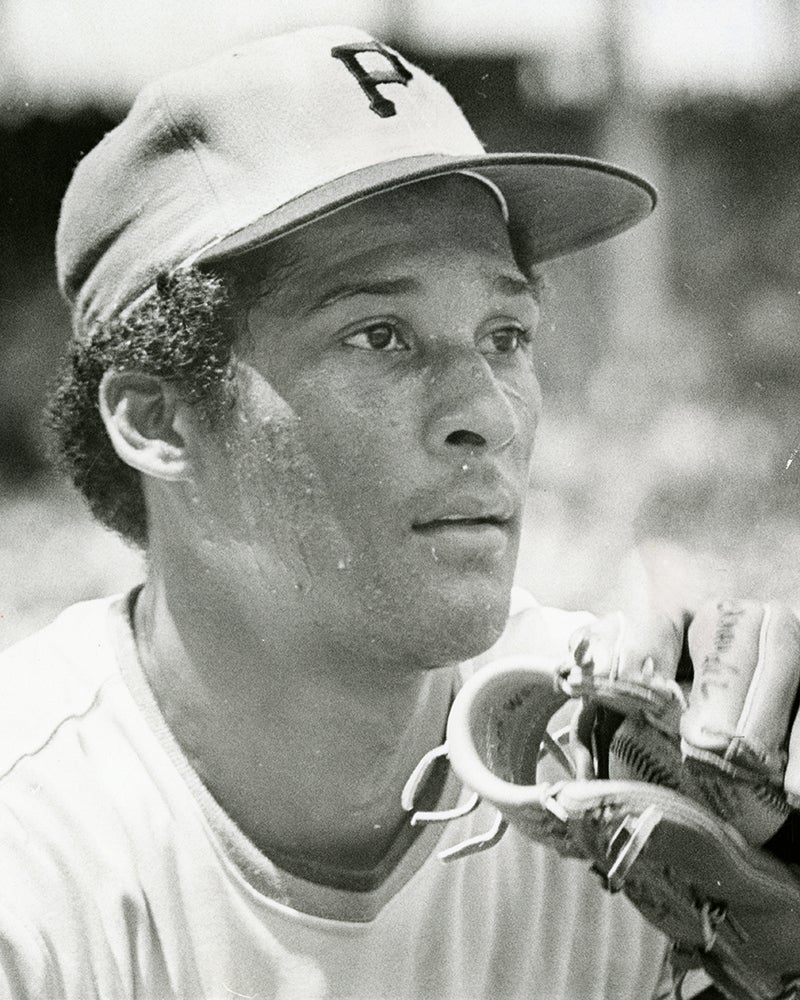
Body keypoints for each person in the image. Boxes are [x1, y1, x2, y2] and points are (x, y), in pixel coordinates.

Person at [0, 24, 716, 1000]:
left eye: (503, 334)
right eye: (379, 335)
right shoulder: (33, 844)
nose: (484, 413)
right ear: (158, 419)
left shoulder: (623, 770)